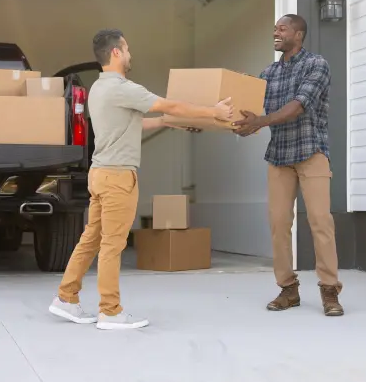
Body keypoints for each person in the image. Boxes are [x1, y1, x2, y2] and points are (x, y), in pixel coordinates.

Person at [48, 29, 235, 330]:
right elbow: (169, 104)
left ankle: (66, 298)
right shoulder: (124, 88)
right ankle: (110, 311)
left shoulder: (98, 88)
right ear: (117, 53)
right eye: (128, 48)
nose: (131, 54)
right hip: (119, 177)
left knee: (91, 239)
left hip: (99, 174)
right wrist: (213, 112)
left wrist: (169, 123)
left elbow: (137, 122)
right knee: (112, 245)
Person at [234, 14, 343, 317]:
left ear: (299, 34)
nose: (276, 33)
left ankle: (330, 291)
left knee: (321, 221)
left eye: (282, 29)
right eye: (275, 29)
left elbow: (297, 106)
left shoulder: (316, 65)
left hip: (311, 151)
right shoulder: (268, 73)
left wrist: (260, 120)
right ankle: (288, 289)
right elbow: (252, 113)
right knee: (279, 223)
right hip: (280, 156)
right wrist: (220, 119)